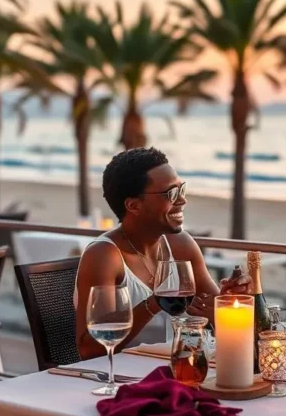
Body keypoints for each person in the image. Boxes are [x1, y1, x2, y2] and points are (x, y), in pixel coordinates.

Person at [74, 148, 250, 359]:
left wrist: (231, 302)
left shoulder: (180, 245)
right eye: (171, 194)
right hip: (125, 380)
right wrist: (154, 303)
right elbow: (89, 350)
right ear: (133, 205)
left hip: (181, 372)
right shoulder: (104, 256)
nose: (182, 200)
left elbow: (215, 315)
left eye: (181, 189)